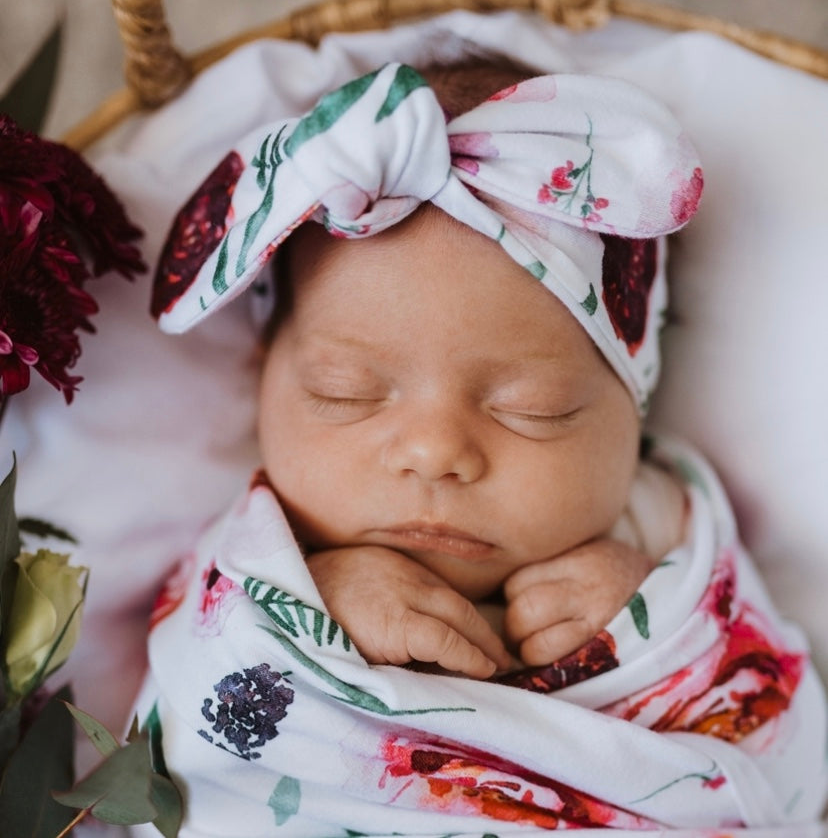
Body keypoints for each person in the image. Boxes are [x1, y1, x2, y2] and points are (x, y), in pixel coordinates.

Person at [138, 58, 827, 835]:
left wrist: (648, 623)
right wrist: (304, 600)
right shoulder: (256, 564)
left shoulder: (670, 547)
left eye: (535, 409)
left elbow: (791, 760)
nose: (435, 452)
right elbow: (177, 731)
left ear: (632, 415)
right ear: (266, 379)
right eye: (345, 391)